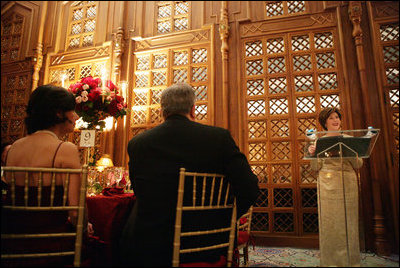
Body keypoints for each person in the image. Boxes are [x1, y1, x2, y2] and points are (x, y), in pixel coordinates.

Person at [119, 83, 260, 266]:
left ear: (162, 111)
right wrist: (223, 217)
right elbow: (249, 188)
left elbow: (139, 192)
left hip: (150, 243)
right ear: (193, 110)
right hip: (207, 241)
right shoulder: (219, 139)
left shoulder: (138, 144)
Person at [1, 84, 94, 266]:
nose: (76, 117)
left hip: (13, 243)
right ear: (59, 113)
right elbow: (76, 213)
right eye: (72, 111)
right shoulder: (65, 149)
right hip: (53, 244)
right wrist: (84, 231)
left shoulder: (14, 148)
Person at [308, 107, 363, 267]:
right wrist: (313, 154)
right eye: (331, 118)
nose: (335, 120)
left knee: (349, 224)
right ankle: (330, 263)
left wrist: (351, 152)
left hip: (348, 182)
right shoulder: (318, 140)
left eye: (337, 117)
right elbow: (315, 167)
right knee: (330, 224)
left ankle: (351, 262)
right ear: (325, 122)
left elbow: (358, 164)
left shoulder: (349, 138)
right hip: (327, 184)